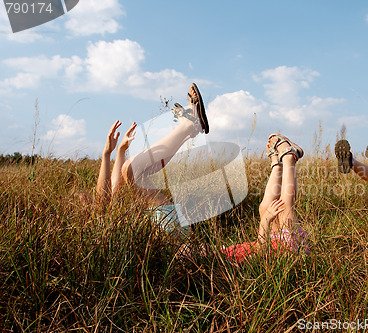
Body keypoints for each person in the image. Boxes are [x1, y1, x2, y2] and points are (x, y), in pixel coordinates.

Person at [92, 83, 209, 231]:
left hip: (167, 224)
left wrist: (120, 151)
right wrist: (106, 154)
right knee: (132, 169)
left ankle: (189, 129)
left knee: (130, 169)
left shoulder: (108, 215)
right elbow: (102, 201)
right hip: (170, 231)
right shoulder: (98, 222)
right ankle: (188, 126)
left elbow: (114, 189)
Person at [220, 133, 309, 263]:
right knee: (283, 208)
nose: (193, 247)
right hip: (290, 251)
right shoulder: (227, 264)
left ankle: (277, 164)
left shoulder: (223, 253)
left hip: (274, 242)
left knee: (264, 207)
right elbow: (261, 253)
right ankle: (290, 157)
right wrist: (265, 221)